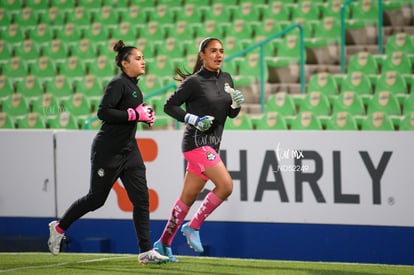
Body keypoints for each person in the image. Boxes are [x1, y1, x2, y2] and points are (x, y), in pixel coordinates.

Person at [47, 40, 169, 265]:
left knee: (142, 200)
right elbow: (103, 112)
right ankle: (59, 227)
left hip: (129, 150)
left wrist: (144, 116)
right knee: (96, 199)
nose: (144, 61)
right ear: (125, 63)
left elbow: (128, 114)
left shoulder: (134, 87)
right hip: (108, 151)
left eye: (143, 58)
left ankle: (145, 252)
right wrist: (134, 115)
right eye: (138, 58)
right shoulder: (118, 84)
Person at [153, 37, 245, 262]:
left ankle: (163, 244)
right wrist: (191, 118)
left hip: (212, 144)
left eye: (221, 51)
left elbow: (230, 114)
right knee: (225, 186)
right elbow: (168, 106)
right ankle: (192, 227)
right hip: (196, 144)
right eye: (213, 51)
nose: (218, 55)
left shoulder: (226, 78)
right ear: (202, 55)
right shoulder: (194, 82)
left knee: (187, 198)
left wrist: (236, 105)